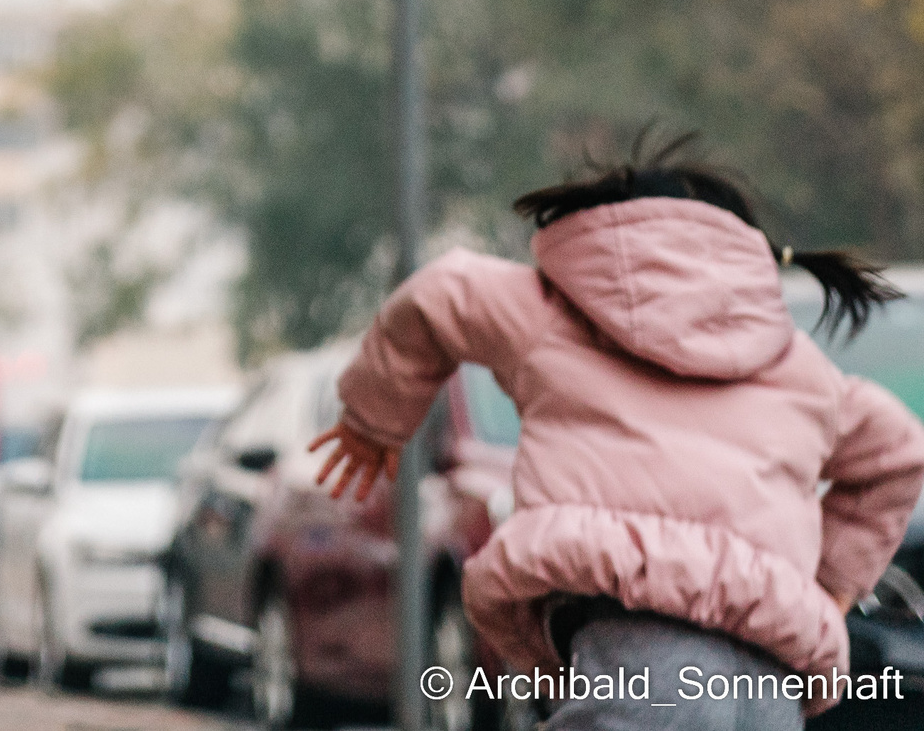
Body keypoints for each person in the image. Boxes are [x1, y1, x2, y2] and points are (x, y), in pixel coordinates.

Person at [314, 137, 924, 731]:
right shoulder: (802, 369)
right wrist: (829, 584)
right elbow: (897, 451)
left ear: (602, 230)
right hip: (769, 683)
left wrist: (375, 419)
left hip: (637, 636)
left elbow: (440, 295)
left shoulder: (548, 311)